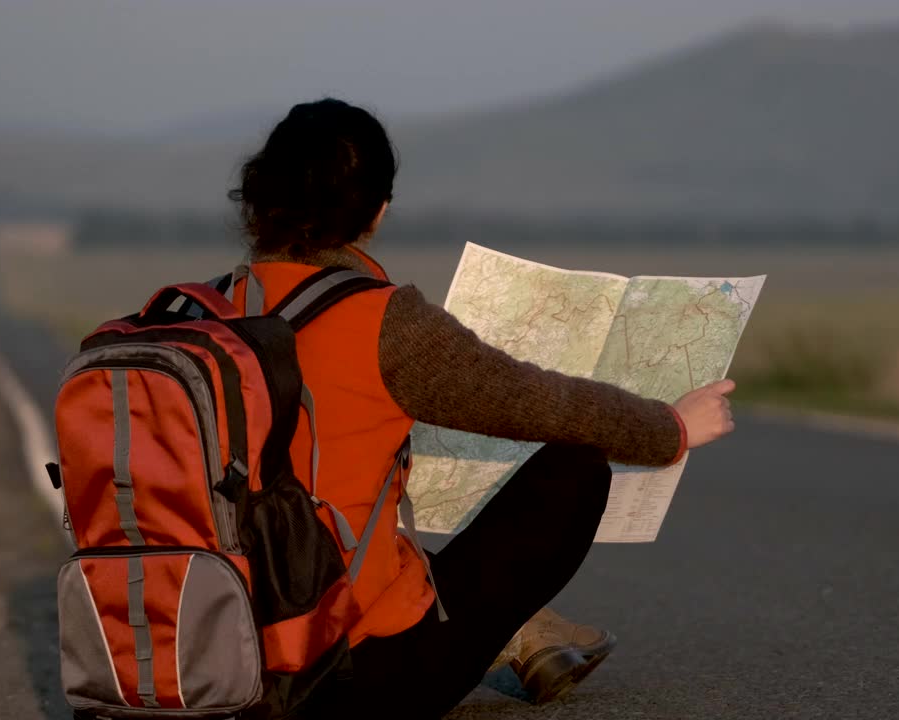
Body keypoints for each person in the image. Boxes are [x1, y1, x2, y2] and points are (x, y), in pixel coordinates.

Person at [227, 98, 736, 719]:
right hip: (341, 678)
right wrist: (673, 427)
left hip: (199, 655)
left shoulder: (201, 312)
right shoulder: (384, 321)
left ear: (259, 197)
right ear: (377, 211)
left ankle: (521, 639)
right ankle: (503, 636)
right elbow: (549, 404)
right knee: (572, 469)